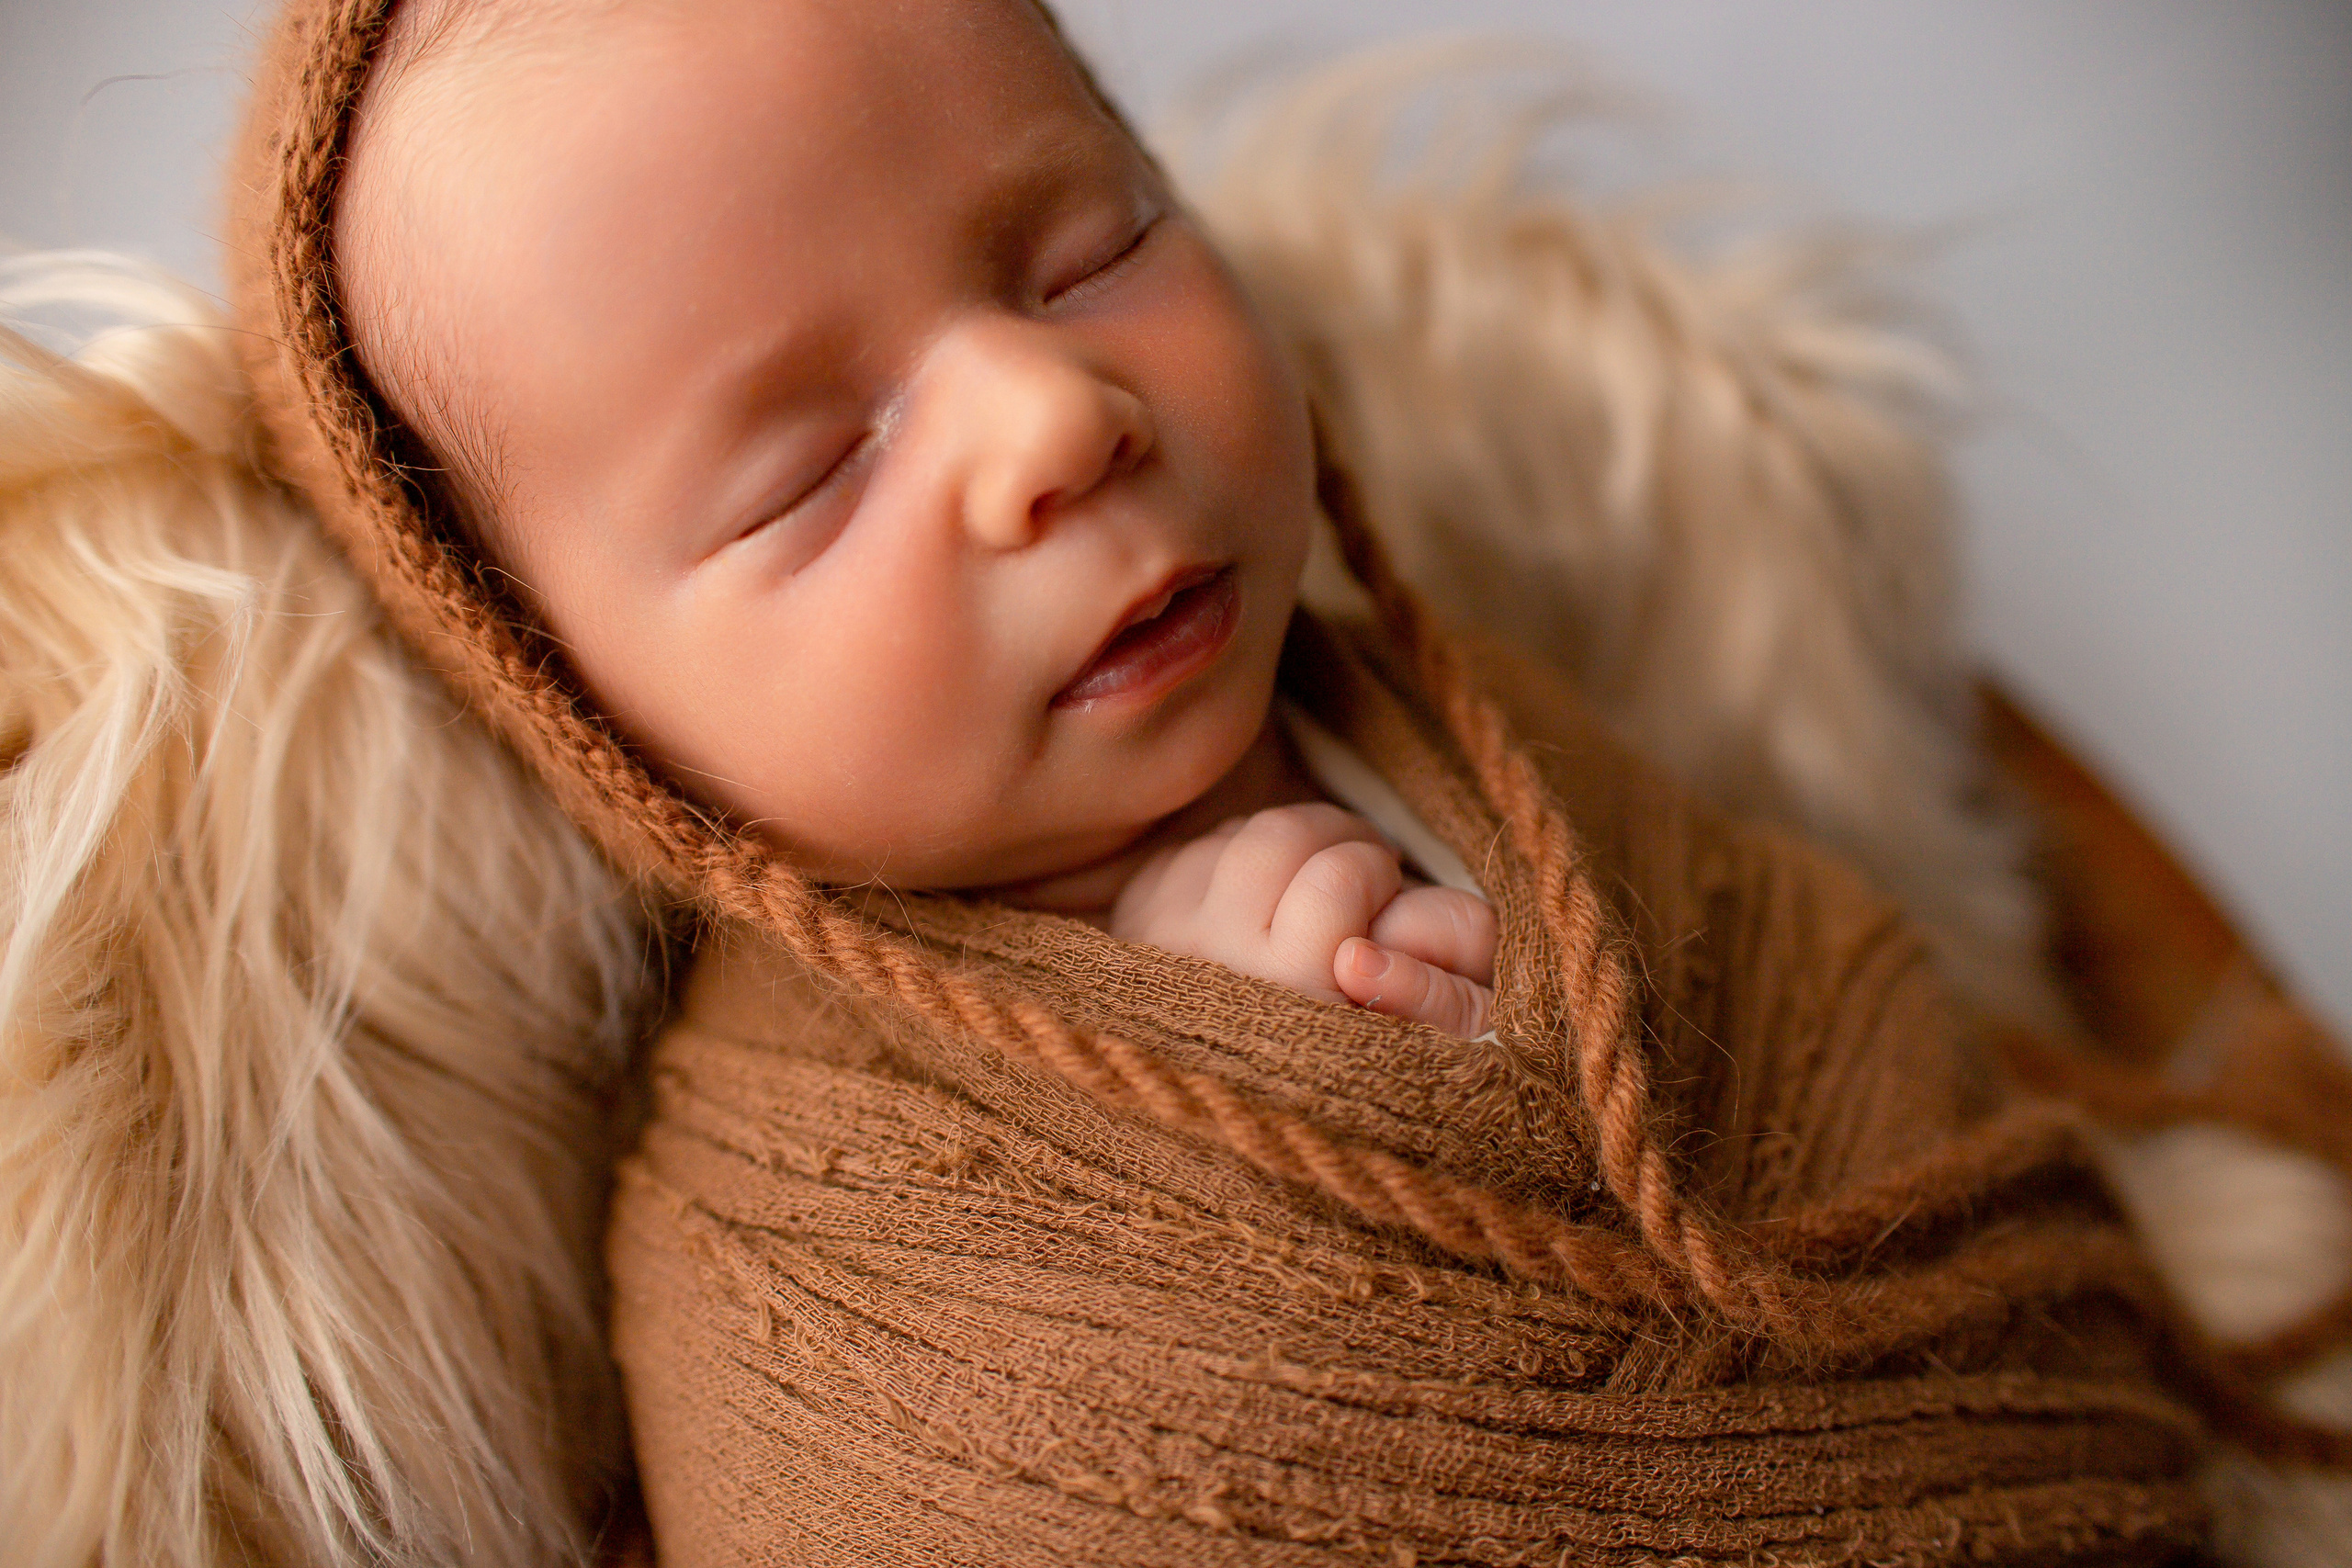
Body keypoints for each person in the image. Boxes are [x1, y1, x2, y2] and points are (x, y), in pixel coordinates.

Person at [6, 0, 2348, 1562]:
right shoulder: (801, 1256)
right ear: (587, 711)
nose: (1051, 423)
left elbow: (1832, 998)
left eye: (1084, 244)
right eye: (815, 469)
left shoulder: (1470, 703)